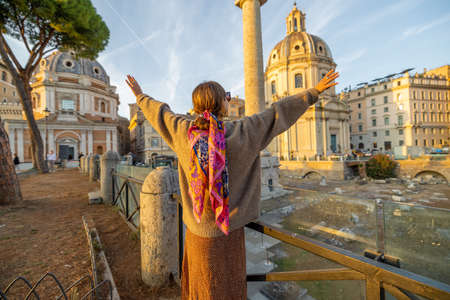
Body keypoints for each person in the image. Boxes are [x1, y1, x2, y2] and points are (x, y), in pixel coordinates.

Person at [126, 69, 339, 300]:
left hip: (197, 233)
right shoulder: (244, 131)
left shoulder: (182, 130)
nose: (229, 99)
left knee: (200, 286)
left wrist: (140, 96)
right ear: (221, 104)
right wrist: (314, 92)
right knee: (228, 288)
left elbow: (160, 112)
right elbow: (278, 113)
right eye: (227, 96)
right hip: (230, 232)